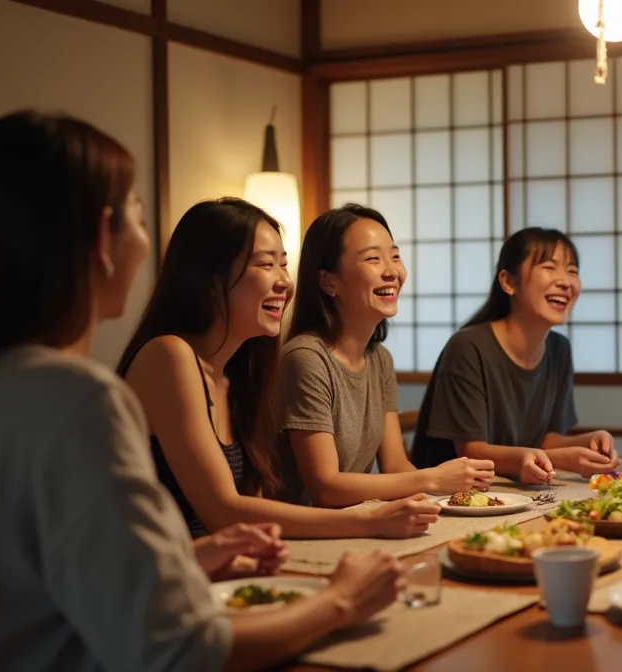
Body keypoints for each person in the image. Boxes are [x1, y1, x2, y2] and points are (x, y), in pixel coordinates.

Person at [0, 111, 406, 671]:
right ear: (101, 240)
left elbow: (18, 578)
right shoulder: (73, 396)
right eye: (138, 216)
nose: (145, 244)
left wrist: (189, 556)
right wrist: (343, 600)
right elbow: (180, 649)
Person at [118, 197, 438, 539]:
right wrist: (371, 521)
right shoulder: (170, 356)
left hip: (228, 565)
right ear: (212, 282)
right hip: (161, 577)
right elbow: (223, 511)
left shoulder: (241, 372)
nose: (284, 281)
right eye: (265, 264)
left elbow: (252, 502)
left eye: (283, 265)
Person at [276, 204, 496, 507]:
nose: (392, 271)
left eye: (394, 256)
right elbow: (325, 488)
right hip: (307, 533)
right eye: (373, 259)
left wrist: (449, 493)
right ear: (328, 281)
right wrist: (430, 478)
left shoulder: (380, 360)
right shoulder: (306, 358)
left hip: (363, 520)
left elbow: (395, 465)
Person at [409, 227, 621, 483]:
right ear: (509, 282)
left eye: (572, 271)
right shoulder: (468, 346)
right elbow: (471, 451)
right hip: (452, 496)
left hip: (515, 489)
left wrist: (587, 443)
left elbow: (547, 440)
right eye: (549, 267)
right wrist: (561, 458)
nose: (565, 281)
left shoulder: (559, 349)